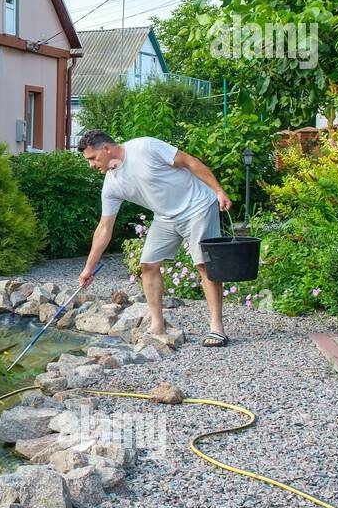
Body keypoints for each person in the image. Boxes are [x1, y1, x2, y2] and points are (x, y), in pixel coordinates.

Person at [76, 129, 234, 347]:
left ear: (106, 148)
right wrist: (88, 267)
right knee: (148, 265)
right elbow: (104, 228)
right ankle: (157, 326)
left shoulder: (145, 147)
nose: (92, 165)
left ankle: (217, 328)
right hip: (165, 217)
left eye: (92, 159)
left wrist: (219, 191)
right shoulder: (111, 184)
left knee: (203, 264)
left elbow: (189, 161)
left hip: (197, 205)